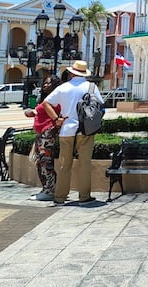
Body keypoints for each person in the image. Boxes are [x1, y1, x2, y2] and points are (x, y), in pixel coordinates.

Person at [42, 60, 104, 205]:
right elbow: (101, 106)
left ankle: (60, 196)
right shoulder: (91, 87)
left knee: (65, 165)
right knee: (85, 163)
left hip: (67, 129)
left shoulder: (64, 87)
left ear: (71, 73)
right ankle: (84, 196)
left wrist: (56, 118)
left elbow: (46, 103)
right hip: (86, 130)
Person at [23, 75, 63, 201]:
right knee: (41, 162)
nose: (45, 85)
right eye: (44, 83)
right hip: (42, 133)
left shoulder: (55, 99)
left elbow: (55, 113)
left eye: (48, 83)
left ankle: (50, 190)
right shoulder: (48, 98)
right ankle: (46, 188)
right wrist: (33, 112)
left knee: (45, 161)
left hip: (48, 133)